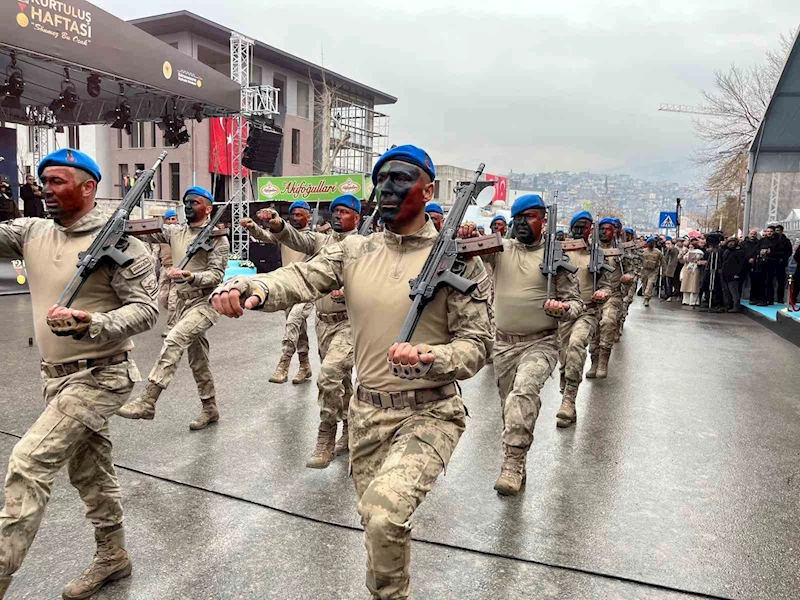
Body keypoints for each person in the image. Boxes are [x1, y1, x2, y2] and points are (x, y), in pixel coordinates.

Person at [209, 144, 492, 600]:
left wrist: (431, 358)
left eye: (400, 178)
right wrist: (251, 285)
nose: (386, 188)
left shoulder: (460, 260)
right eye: (379, 179)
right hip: (366, 413)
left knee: (385, 514)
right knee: (377, 522)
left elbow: (477, 346)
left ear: (429, 189)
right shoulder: (354, 249)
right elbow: (301, 278)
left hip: (430, 413)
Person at [0, 149, 158, 600]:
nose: (45, 189)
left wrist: (94, 323)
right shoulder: (31, 231)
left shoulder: (123, 245)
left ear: (88, 187)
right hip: (56, 377)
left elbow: (147, 310)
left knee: (29, 463)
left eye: (57, 182)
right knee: (91, 472)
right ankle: (113, 556)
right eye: (43, 181)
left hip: (102, 374)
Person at [241, 194, 361, 468]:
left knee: (329, 375)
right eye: (335, 211)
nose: (338, 216)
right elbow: (295, 238)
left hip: (349, 323)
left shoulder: (364, 246)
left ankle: (325, 437)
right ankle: (349, 429)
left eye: (344, 211)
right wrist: (277, 223)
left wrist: (351, 290)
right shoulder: (321, 241)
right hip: (323, 322)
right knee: (340, 382)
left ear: (357, 217)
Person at [480, 194, 582, 494]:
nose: (523, 222)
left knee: (523, 394)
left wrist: (563, 310)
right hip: (502, 344)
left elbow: (576, 303)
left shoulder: (555, 258)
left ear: (543, 220)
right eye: (519, 217)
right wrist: (468, 236)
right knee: (508, 406)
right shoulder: (501, 248)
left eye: (531, 216)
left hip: (540, 343)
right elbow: (465, 253)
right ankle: (516, 455)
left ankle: (512, 465)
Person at [116, 186, 229, 430]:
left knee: (175, 339)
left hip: (204, 303)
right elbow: (147, 233)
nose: (188, 206)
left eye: (195, 202)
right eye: (186, 202)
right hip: (181, 303)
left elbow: (217, 275)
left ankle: (148, 399)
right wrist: (123, 222)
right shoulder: (175, 231)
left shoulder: (218, 237)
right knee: (198, 360)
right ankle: (210, 408)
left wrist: (191, 276)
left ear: (208, 208)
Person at [249, 200, 315, 384]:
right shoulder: (284, 235)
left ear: (308, 216)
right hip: (288, 288)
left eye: (299, 215)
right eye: (293, 215)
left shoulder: (313, 238)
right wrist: (252, 227)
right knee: (298, 329)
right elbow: (264, 236)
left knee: (293, 322)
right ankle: (305, 366)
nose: (295, 218)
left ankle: (283, 364)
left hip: (307, 289)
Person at [557, 210, 611, 428]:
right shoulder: (560, 252)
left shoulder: (597, 255)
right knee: (564, 356)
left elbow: (607, 284)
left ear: (591, 230)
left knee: (577, 344)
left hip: (587, 311)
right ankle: (567, 396)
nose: (581, 230)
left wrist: (603, 293)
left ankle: (568, 400)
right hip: (564, 312)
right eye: (577, 225)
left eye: (585, 226)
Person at [587, 218, 634, 378]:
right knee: (594, 330)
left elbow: (630, 270)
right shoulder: (589, 249)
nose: (604, 232)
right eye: (601, 229)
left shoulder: (620, 251)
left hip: (613, 294)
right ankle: (594, 361)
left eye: (607, 229)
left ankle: (603, 361)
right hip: (592, 296)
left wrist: (628, 277)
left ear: (614, 232)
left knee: (608, 323)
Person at [155, 208, 180, 337]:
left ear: (177, 219)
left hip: (177, 268)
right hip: (165, 268)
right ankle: (179, 314)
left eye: (173, 219)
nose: (171, 222)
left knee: (172, 301)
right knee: (162, 298)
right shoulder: (162, 235)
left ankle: (171, 327)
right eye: (168, 219)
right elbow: (156, 252)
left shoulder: (181, 233)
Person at [756, 226, 780, 306]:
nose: (769, 233)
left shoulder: (777, 241)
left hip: (772, 263)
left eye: (771, 231)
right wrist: (761, 252)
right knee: (762, 281)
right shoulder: (762, 241)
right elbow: (756, 249)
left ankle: (768, 299)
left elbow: (780, 252)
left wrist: (771, 252)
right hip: (762, 263)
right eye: (767, 231)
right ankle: (762, 299)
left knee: (769, 281)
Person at [721, 237, 745, 312]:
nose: (731, 244)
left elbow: (741, 264)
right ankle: (728, 305)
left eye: (733, 242)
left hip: (734, 274)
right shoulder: (726, 251)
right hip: (725, 274)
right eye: (729, 242)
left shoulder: (739, 252)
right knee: (727, 291)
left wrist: (738, 274)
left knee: (734, 291)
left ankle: (736, 306)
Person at [640, 237, 662, 307]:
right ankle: (645, 296)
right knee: (644, 285)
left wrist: (664, 271)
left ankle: (647, 298)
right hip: (644, 271)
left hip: (653, 271)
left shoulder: (658, 252)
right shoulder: (643, 251)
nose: (651, 244)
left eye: (652, 242)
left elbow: (663, 262)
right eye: (650, 242)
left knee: (649, 285)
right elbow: (639, 261)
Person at [680, 242, 704, 306]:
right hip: (687, 269)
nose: (690, 248)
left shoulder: (699, 252)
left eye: (692, 247)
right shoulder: (687, 252)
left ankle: (694, 301)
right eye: (689, 247)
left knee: (694, 285)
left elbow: (698, 258)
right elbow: (684, 259)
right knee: (686, 285)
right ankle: (685, 300)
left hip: (694, 269)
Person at [774, 225, 793, 303]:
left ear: (782, 231)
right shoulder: (772, 240)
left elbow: (789, 252)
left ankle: (780, 298)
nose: (776, 232)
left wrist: (784, 258)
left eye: (778, 230)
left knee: (781, 282)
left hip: (782, 264)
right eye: (776, 230)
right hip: (772, 262)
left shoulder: (786, 241)